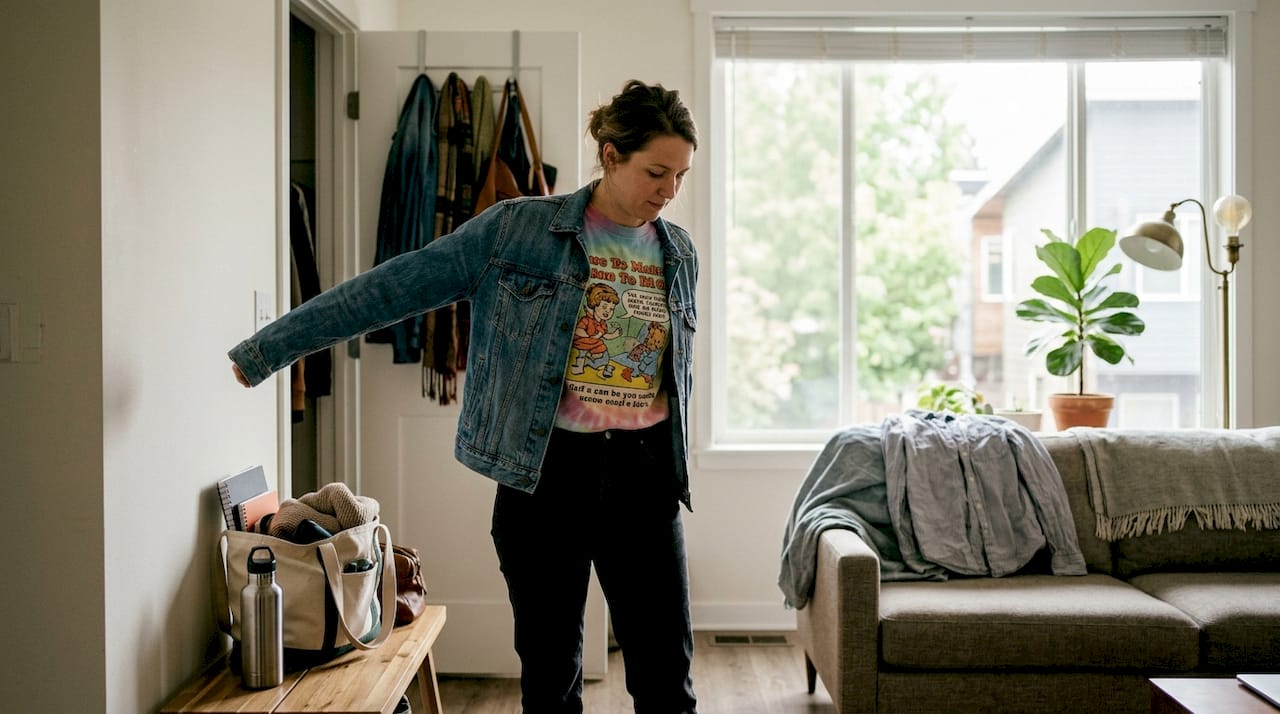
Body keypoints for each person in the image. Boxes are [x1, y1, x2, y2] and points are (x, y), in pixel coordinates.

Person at [228, 79, 699, 714]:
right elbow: (392, 287)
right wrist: (268, 350)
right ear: (611, 155)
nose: (669, 191)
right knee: (553, 676)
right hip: (546, 477)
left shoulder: (679, 254)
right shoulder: (518, 231)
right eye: (657, 171)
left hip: (645, 477)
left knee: (667, 679)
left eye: (681, 177)